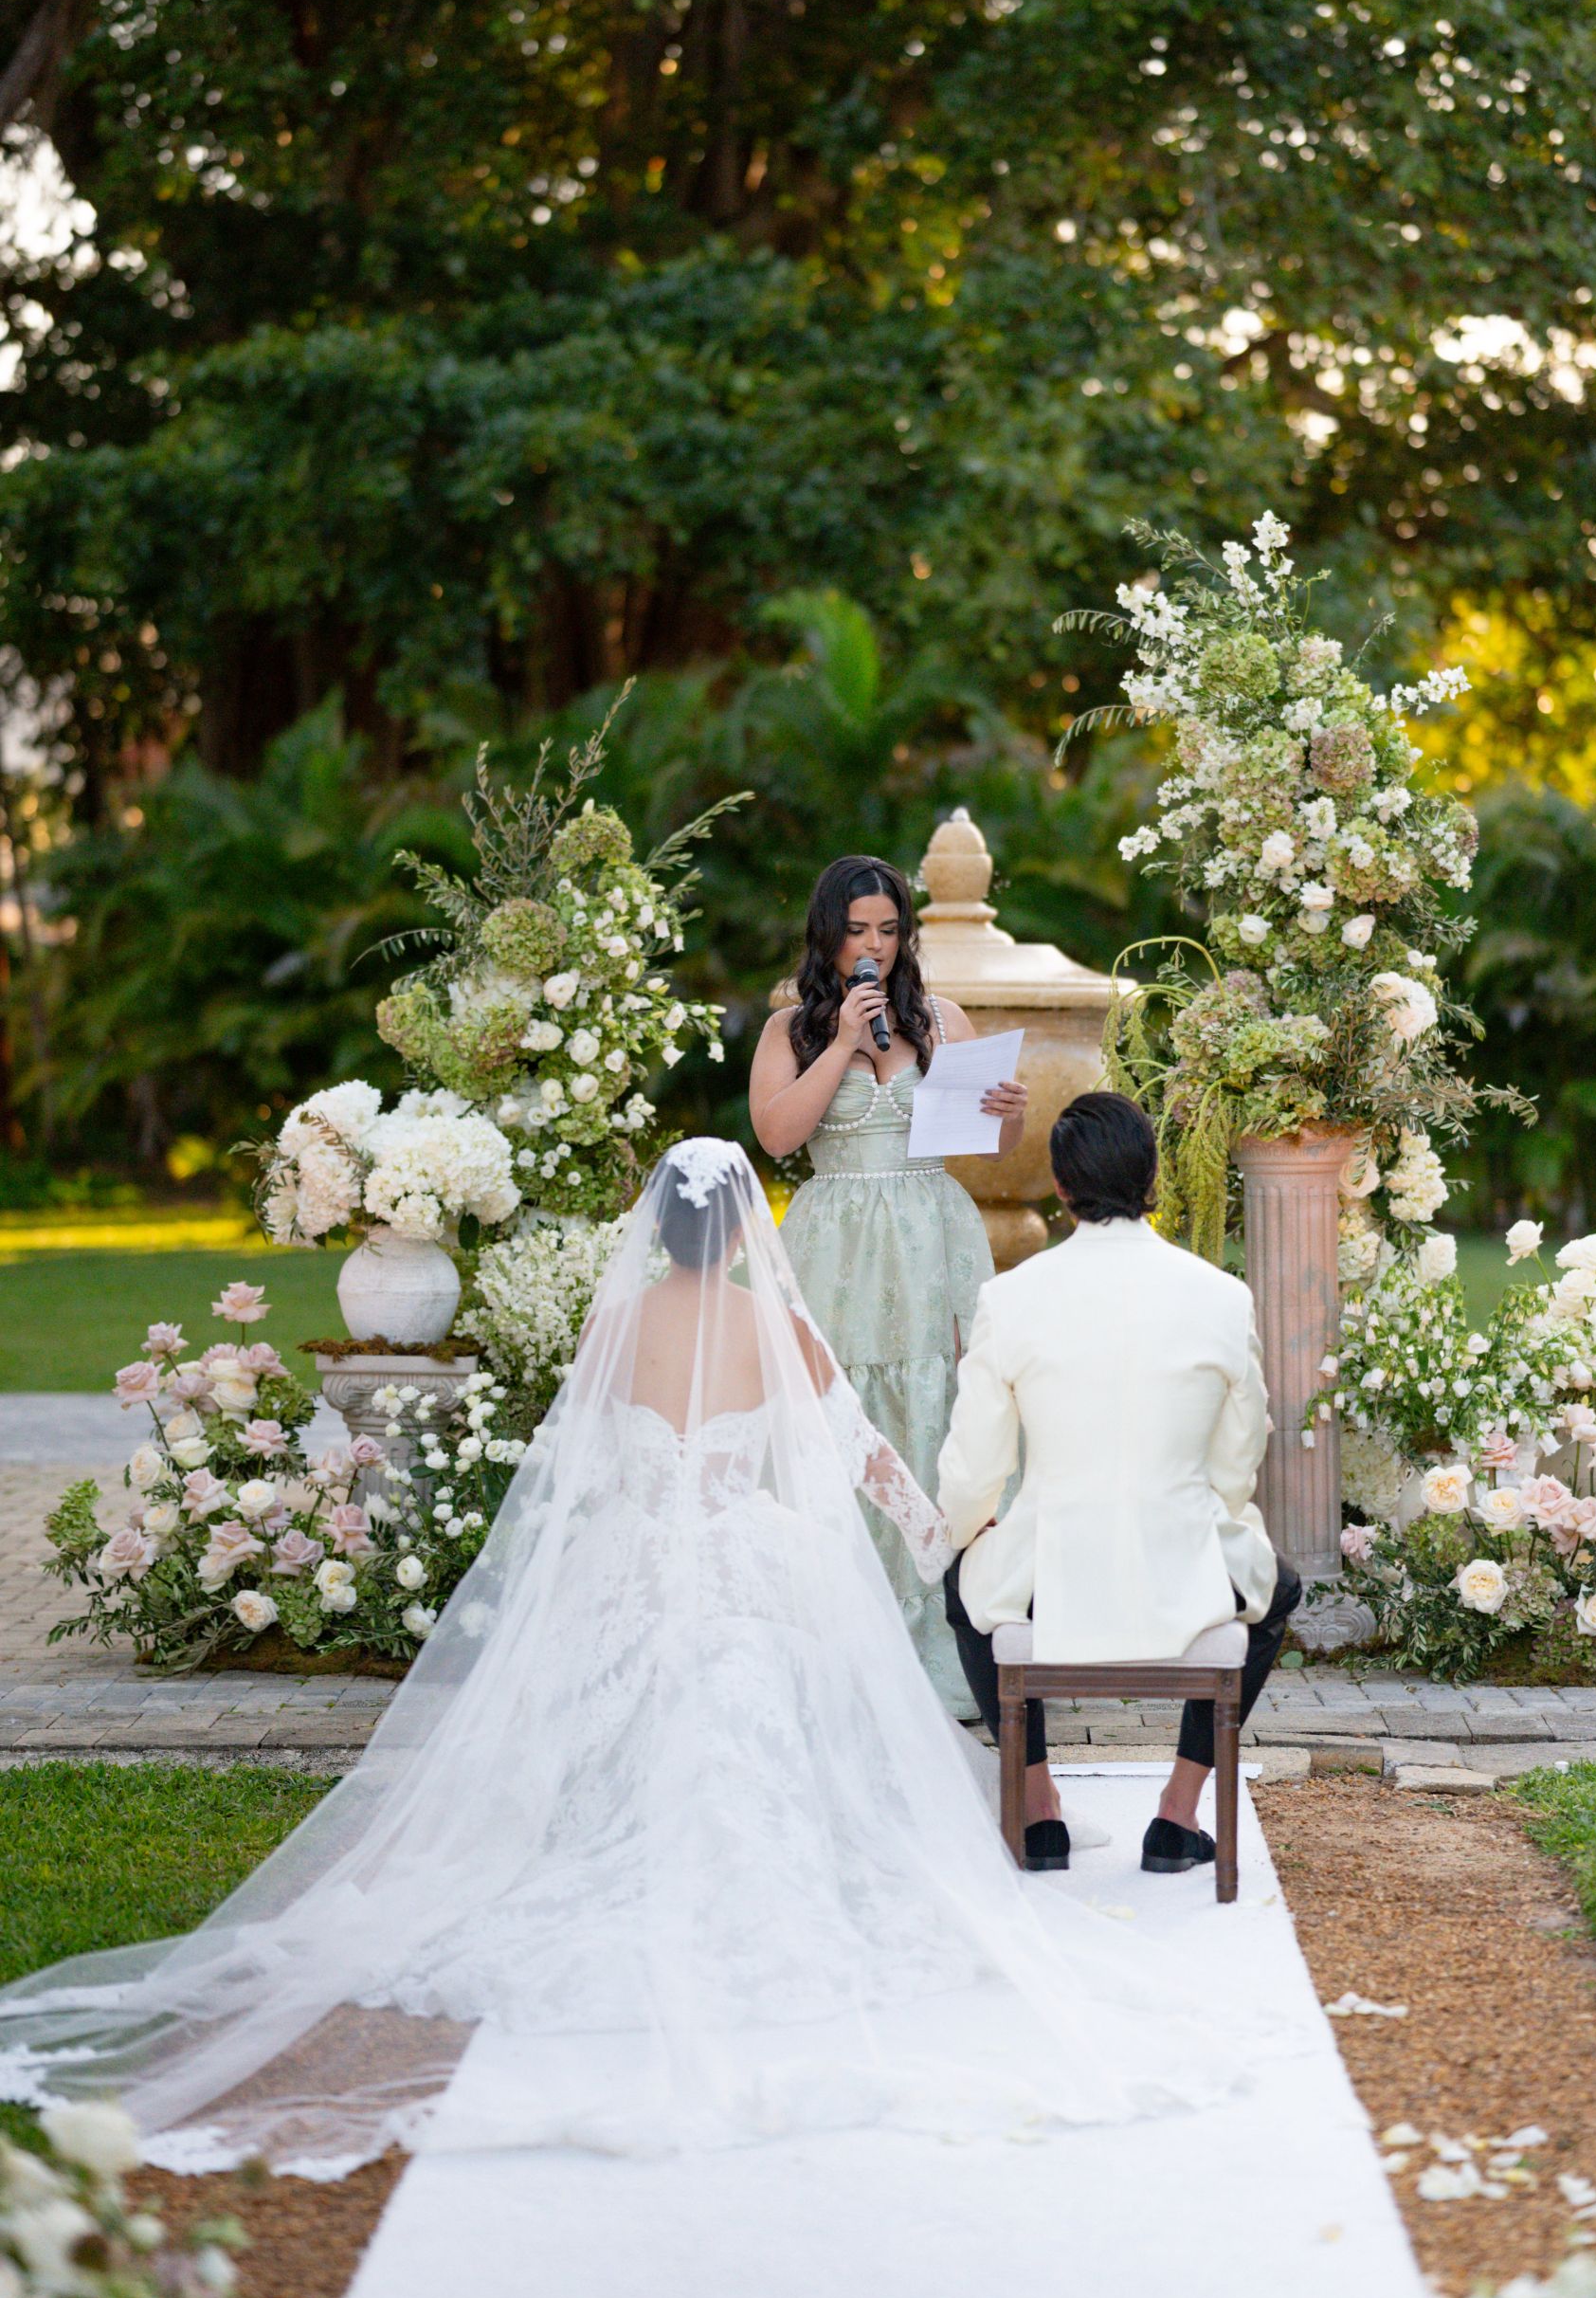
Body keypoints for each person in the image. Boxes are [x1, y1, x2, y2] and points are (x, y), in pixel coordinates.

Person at [0, 1141, 1259, 2175]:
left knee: (613, 1718)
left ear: (660, 1231)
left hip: (637, 1561)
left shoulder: (623, 1320)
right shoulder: (775, 1325)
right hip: (754, 1565)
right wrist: (945, 1537)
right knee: (774, 1717)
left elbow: (572, 1478)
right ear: (747, 1233)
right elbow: (859, 1452)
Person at [936, 1092, 1303, 1872]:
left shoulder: (1011, 1298)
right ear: (1152, 1176)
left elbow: (974, 1474)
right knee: (1281, 1589)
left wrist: (973, 1530)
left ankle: (1039, 1815)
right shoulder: (1221, 1295)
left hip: (1051, 1566)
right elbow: (1236, 1470)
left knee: (961, 1584)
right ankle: (1177, 1814)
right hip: (1182, 1566)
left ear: (1062, 1189)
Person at [750, 853, 1026, 1714]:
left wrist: (1007, 1116)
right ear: (828, 936)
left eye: (888, 929)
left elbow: (995, 1148)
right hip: (835, 1240)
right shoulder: (788, 1028)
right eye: (857, 930)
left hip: (928, 1232)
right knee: (841, 1418)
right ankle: (840, 1642)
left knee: (938, 1413)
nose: (873, 945)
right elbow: (776, 1137)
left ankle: (945, 1647)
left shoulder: (941, 1018)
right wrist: (839, 1045)